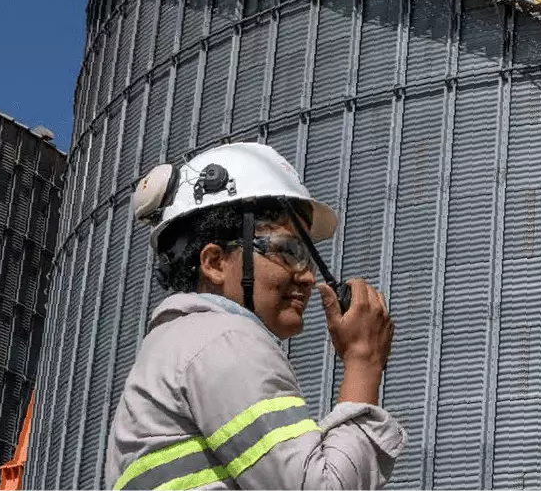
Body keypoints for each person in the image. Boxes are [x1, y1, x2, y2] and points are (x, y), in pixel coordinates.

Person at [104, 142, 403, 491]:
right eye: (289, 251)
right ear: (215, 263)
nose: (307, 276)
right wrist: (363, 360)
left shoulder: (174, 348)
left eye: (307, 256)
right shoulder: (221, 339)